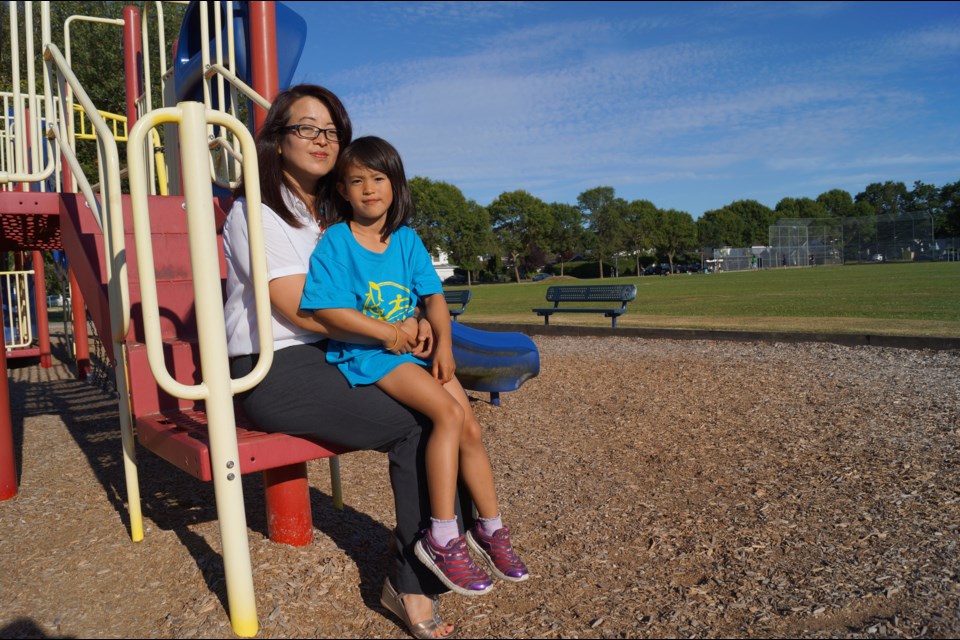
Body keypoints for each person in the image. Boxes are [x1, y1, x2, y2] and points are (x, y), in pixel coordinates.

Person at [222, 85, 467, 639]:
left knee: (447, 409)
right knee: (417, 423)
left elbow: (387, 286)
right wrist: (390, 333)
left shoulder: (336, 215)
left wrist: (420, 320)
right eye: (306, 127)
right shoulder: (255, 213)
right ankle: (412, 581)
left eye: (331, 130)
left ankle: (455, 538)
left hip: (340, 351)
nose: (321, 138)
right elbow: (300, 310)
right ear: (277, 139)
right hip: (273, 365)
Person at [299, 136, 529, 598]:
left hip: (412, 350)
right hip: (369, 354)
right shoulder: (337, 242)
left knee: (470, 428)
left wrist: (443, 344)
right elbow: (328, 311)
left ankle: (490, 527)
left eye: (378, 178)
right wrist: (390, 333)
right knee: (446, 414)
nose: (368, 189)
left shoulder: (406, 240)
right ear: (341, 190)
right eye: (356, 181)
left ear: (394, 184)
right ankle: (441, 536)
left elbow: (434, 298)